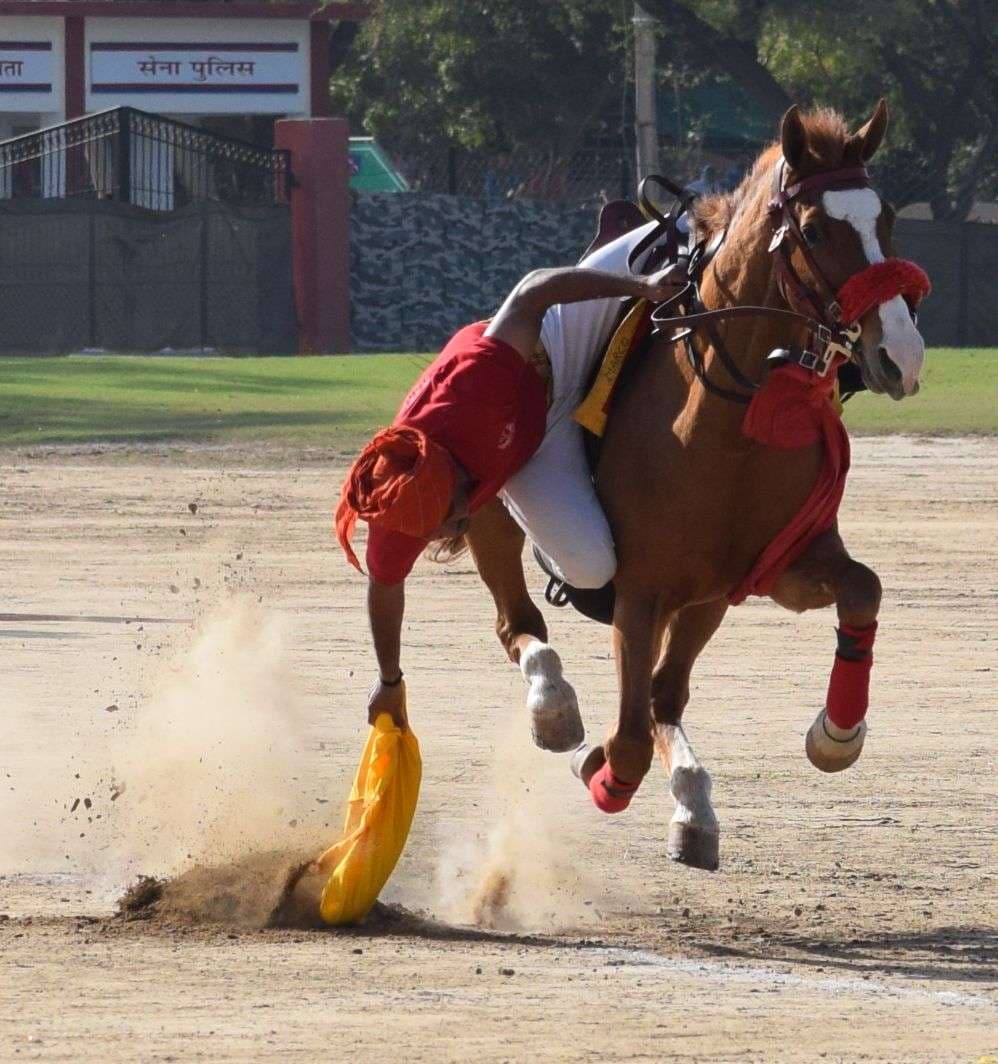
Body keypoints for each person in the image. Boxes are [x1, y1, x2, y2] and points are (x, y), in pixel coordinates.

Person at [336, 231, 683, 748]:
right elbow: (384, 587)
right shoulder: (400, 511)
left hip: (555, 354)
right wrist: (390, 681)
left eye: (456, 516)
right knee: (592, 569)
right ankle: (546, 554)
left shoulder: (470, 389)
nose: (458, 529)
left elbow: (532, 289)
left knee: (672, 237)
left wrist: (642, 285)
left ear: (452, 474)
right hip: (542, 433)